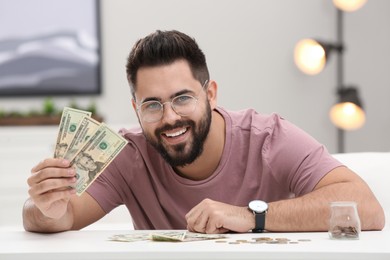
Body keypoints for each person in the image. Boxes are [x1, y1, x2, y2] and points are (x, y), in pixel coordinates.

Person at [23, 30, 385, 234]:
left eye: (182, 98)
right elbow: (61, 217)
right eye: (152, 104)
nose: (170, 118)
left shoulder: (269, 138)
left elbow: (367, 209)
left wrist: (249, 216)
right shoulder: (129, 155)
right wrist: (44, 207)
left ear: (210, 94)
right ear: (136, 109)